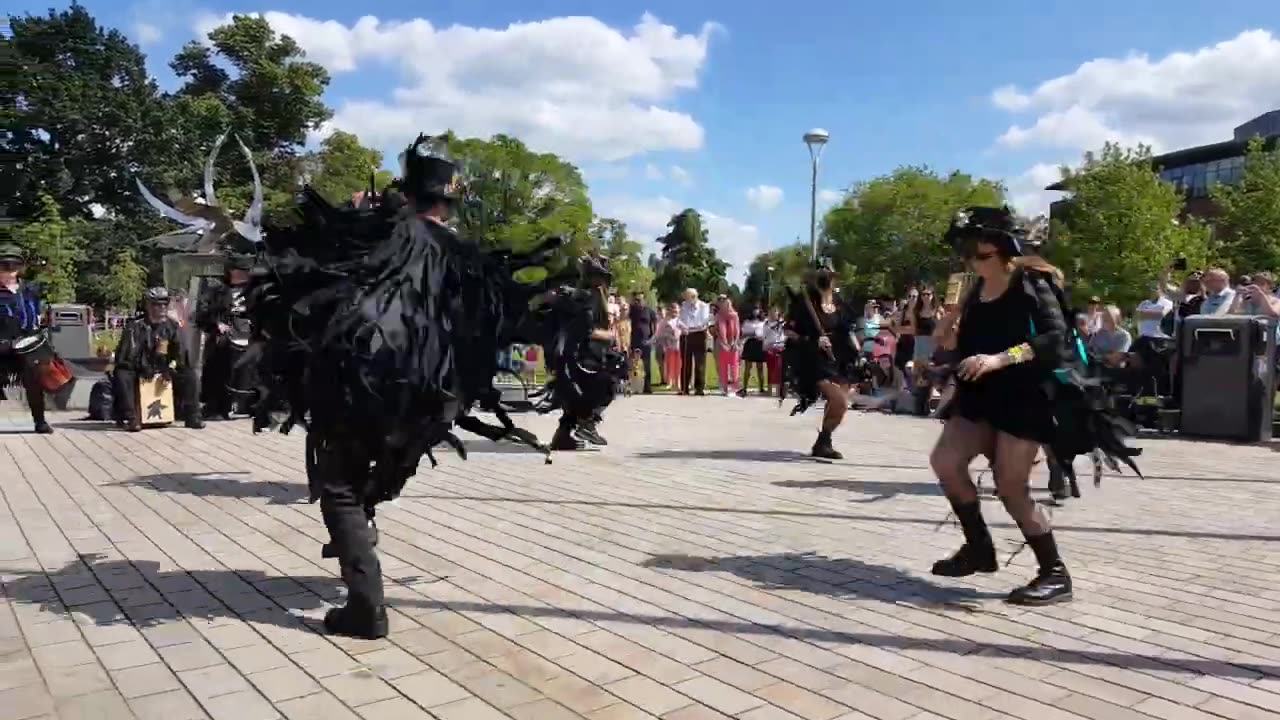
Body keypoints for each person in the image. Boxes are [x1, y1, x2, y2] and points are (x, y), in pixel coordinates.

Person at [929, 206, 1139, 606]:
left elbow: (1055, 337)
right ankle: (979, 548)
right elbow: (960, 346)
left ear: (1006, 252)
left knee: (1011, 487)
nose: (973, 261)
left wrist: (1000, 359)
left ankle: (1055, 573)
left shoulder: (1030, 282)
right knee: (946, 461)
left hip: (1024, 394)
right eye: (968, 254)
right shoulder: (974, 291)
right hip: (980, 393)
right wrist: (949, 326)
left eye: (982, 255)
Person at [783, 259, 857, 459]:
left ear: (834, 278)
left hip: (838, 358)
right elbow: (789, 330)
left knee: (839, 406)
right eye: (821, 276)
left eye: (828, 275)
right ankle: (823, 441)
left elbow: (848, 329)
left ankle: (824, 442)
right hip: (813, 361)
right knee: (840, 401)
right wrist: (812, 339)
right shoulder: (805, 303)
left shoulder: (840, 304)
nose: (826, 279)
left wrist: (857, 351)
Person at [112, 287, 205, 432]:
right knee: (122, 373)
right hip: (139, 370)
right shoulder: (135, 326)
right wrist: (143, 368)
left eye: (164, 304)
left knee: (190, 374)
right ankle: (130, 418)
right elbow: (127, 356)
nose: (162, 308)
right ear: (148, 306)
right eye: (157, 304)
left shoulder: (172, 326)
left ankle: (193, 416)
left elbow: (180, 354)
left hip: (164, 369)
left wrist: (170, 368)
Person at [0, 244, 54, 434]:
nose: (9, 271)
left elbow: (49, 278)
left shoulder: (29, 290)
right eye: (4, 266)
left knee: (35, 374)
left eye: (13, 266)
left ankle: (39, 420)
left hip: (26, 344)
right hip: (2, 345)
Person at [196, 255, 256, 419]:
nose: (244, 275)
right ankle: (217, 406)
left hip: (250, 335)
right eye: (240, 271)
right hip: (226, 336)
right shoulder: (219, 290)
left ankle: (250, 405)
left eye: (246, 271)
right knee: (220, 365)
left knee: (252, 369)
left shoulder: (255, 290)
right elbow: (203, 313)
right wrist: (217, 323)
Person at [678, 288, 710, 395]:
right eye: (686, 297)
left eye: (689, 297)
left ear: (694, 297)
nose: (687, 299)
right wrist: (683, 326)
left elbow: (704, 321)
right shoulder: (684, 305)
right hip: (686, 335)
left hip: (699, 334)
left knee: (700, 363)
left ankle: (699, 388)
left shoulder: (703, 306)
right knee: (686, 363)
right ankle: (684, 388)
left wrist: (693, 327)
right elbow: (680, 320)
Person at [628, 292, 657, 394]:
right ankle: (635, 386)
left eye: (639, 300)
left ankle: (647, 387)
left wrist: (652, 339)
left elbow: (654, 326)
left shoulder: (649, 311)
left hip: (646, 341)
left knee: (647, 365)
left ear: (644, 300)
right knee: (634, 365)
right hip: (635, 340)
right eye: (636, 300)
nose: (638, 302)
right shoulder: (632, 311)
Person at [738, 307, 768, 396]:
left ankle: (761, 387)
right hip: (750, 343)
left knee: (760, 367)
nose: (756, 312)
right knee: (748, 367)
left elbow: (766, 333)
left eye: (758, 310)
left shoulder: (764, 322)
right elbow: (743, 333)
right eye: (754, 310)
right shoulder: (747, 322)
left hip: (760, 344)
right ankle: (744, 388)